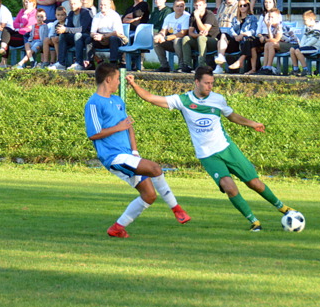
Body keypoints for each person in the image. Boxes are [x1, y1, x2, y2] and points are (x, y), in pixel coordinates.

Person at [126, 67, 298, 232]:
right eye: (207, 83)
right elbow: (151, 98)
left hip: (227, 148)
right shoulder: (183, 100)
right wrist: (134, 84)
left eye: (212, 83)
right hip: (207, 155)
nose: (210, 86)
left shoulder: (218, 99)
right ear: (197, 82)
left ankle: (284, 208)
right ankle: (254, 222)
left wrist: (252, 123)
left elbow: (231, 115)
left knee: (254, 183)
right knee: (229, 187)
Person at [85, 63, 191, 238]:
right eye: (117, 79)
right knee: (155, 168)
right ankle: (176, 209)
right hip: (113, 157)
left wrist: (134, 151)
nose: (119, 82)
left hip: (128, 155)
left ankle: (117, 228)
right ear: (108, 80)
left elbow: (128, 126)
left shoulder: (118, 101)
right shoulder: (93, 103)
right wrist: (118, 127)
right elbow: (93, 134)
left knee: (149, 195)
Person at [49, 0, 94, 71]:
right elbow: (69, 28)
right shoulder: (71, 14)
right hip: (75, 36)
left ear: (80, 4)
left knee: (77, 35)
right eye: (71, 4)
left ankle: (79, 63)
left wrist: (66, 29)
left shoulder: (86, 12)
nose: (72, 5)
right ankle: (61, 63)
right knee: (63, 36)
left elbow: (82, 29)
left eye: (74, 3)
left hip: (87, 36)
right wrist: (61, 31)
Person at [179, 0, 219, 72]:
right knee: (186, 39)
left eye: (200, 5)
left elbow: (204, 29)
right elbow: (190, 33)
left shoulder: (209, 15)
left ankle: (201, 65)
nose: (198, 7)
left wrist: (197, 17)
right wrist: (199, 35)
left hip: (213, 41)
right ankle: (187, 65)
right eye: (196, 5)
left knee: (201, 38)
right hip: (201, 40)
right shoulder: (193, 15)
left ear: (205, 5)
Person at [0, 0, 38, 67]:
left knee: (6, 39)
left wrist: (25, 15)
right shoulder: (22, 11)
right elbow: (14, 24)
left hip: (26, 35)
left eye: (30, 2)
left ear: (33, 3)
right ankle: (3, 49)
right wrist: (22, 25)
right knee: (6, 30)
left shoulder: (35, 12)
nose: (27, 4)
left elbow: (28, 23)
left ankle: (4, 61)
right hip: (19, 32)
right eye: (26, 2)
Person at [152, 0, 190, 72]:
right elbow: (164, 30)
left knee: (176, 40)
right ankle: (164, 66)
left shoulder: (187, 17)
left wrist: (166, 38)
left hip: (183, 42)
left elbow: (182, 33)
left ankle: (181, 66)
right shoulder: (169, 16)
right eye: (177, 6)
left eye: (181, 6)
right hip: (170, 41)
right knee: (156, 41)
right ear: (173, 7)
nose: (179, 8)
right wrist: (160, 36)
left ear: (184, 7)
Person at [91, 0, 128, 64]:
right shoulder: (96, 16)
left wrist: (103, 36)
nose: (102, 6)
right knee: (88, 39)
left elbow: (116, 33)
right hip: (100, 38)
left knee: (113, 39)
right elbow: (92, 32)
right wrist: (95, 35)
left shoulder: (115, 15)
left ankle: (113, 63)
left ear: (109, 5)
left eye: (105, 5)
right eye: (101, 4)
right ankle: (91, 63)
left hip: (115, 37)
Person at [212, 0, 241, 73]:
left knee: (223, 36)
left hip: (233, 37)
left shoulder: (240, 6)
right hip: (219, 34)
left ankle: (219, 65)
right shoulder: (222, 5)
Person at [257, 8, 294, 76]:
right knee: (267, 44)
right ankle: (264, 67)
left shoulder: (280, 26)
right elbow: (271, 38)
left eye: (272, 17)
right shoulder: (271, 26)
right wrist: (268, 28)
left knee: (271, 44)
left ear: (277, 18)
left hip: (291, 45)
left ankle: (269, 67)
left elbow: (276, 39)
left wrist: (265, 40)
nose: (270, 19)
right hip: (281, 44)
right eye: (269, 17)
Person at [226, 0, 258, 73]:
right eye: (240, 6)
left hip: (245, 40)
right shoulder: (235, 19)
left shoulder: (252, 18)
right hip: (236, 40)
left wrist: (243, 34)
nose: (242, 7)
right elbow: (231, 29)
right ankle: (221, 63)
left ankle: (239, 63)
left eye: (245, 5)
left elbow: (253, 31)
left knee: (249, 41)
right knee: (224, 36)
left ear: (248, 6)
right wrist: (235, 36)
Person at [289, 10, 320, 76]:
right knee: (292, 49)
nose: (303, 22)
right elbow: (304, 37)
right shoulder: (307, 27)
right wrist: (301, 45)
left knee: (298, 51)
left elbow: (314, 40)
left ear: (311, 19)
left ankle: (305, 69)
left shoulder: (318, 27)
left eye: (305, 20)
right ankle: (296, 69)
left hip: (314, 47)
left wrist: (304, 46)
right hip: (306, 46)